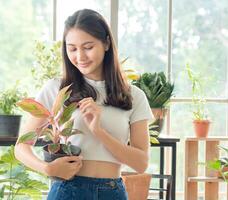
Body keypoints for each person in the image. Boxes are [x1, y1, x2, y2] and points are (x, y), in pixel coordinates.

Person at [15, 9, 152, 200]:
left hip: (111, 191)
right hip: (67, 190)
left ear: (106, 43)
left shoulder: (133, 96)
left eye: (88, 47)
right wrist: (47, 168)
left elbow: (141, 163)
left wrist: (99, 132)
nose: (80, 56)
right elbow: (20, 147)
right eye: (72, 48)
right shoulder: (57, 89)